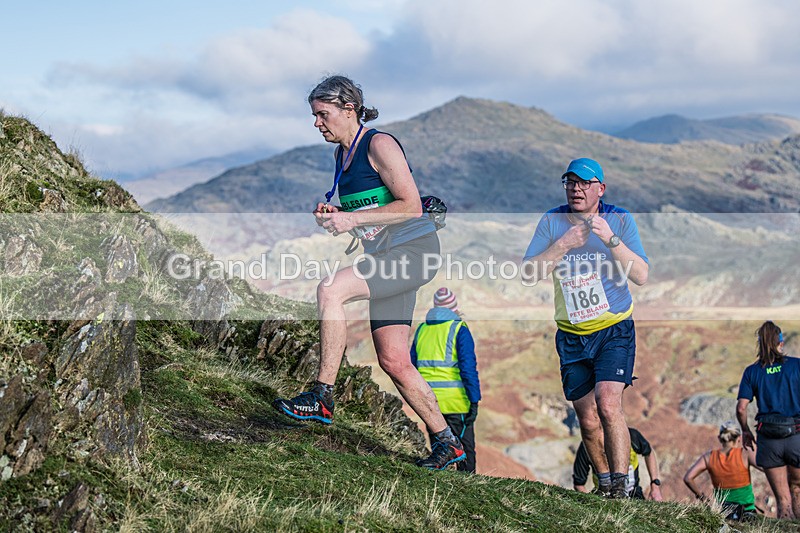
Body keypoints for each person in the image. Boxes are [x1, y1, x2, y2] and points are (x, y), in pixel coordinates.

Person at [273, 75, 465, 470]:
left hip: (413, 251)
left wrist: (349, 219)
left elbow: (410, 206)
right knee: (394, 360)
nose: (316, 123)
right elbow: (365, 216)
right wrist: (337, 219)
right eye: (314, 115)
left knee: (331, 290)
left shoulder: (379, 144)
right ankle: (448, 443)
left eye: (322, 114)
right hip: (388, 255)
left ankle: (322, 398)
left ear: (349, 109)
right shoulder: (340, 158)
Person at [521, 157, 649, 498]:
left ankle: (621, 488)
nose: (576, 189)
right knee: (588, 420)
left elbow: (641, 275)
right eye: (570, 183)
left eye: (584, 183)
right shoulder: (553, 220)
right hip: (572, 334)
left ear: (600, 189)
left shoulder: (618, 219)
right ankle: (604, 484)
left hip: (613, 329)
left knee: (609, 405)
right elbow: (529, 272)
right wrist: (564, 244)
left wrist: (610, 240)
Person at [411, 287, 481, 473]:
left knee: (439, 449)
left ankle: (438, 489)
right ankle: (469, 489)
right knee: (465, 449)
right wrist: (474, 399)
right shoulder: (459, 328)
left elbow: (412, 366)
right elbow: (468, 369)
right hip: (456, 403)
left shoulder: (422, 330)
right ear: (455, 309)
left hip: (429, 402)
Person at [736, 321, 800, 519]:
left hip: (769, 439)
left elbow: (741, 408)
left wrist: (746, 431)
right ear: (780, 343)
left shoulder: (752, 372)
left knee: (782, 499)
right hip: (796, 435)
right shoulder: (797, 365)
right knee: (797, 489)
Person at [683, 421, 760, 520]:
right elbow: (766, 468)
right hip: (747, 512)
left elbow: (688, 478)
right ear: (739, 438)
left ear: (720, 438)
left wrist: (702, 497)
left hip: (724, 512)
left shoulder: (709, 457)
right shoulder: (745, 455)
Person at [573, 426, 663, 500]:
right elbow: (579, 484)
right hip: (603, 497)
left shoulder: (631, 436)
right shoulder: (588, 446)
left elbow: (649, 453)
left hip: (634, 494)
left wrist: (655, 485)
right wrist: (592, 503)